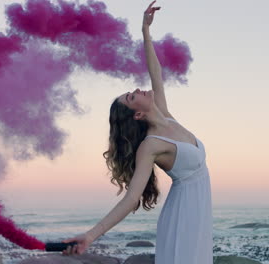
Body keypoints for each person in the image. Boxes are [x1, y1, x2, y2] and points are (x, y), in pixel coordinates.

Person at [62, 1, 213, 263]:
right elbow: (132, 198)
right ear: (138, 115)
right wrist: (90, 235)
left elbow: (156, 73)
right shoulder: (151, 145)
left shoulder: (165, 116)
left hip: (197, 216)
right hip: (183, 218)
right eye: (132, 97)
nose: (137, 90)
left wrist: (145, 30)